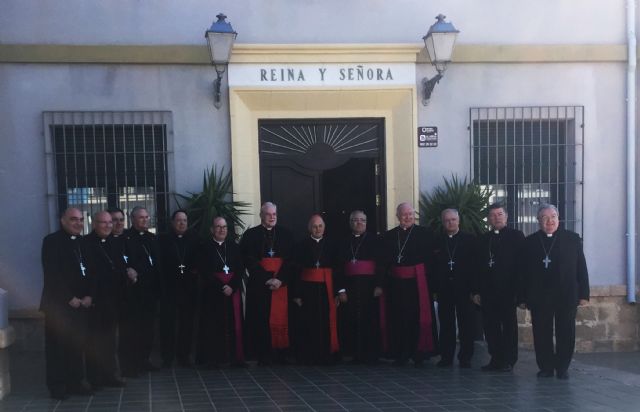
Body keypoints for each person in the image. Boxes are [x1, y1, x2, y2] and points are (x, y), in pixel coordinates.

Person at [519, 204, 589, 380]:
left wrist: (584, 294)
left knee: (566, 331)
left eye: (553, 217)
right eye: (544, 217)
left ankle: (562, 366)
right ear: (538, 221)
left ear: (559, 218)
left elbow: (581, 267)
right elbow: (522, 272)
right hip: (539, 296)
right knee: (541, 333)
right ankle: (546, 367)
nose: (549, 221)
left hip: (566, 294)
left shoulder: (572, 239)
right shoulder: (530, 242)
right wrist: (522, 296)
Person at [40, 208, 95, 399]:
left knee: (76, 345)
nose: (78, 223)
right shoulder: (51, 241)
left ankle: (76, 382)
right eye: (73, 219)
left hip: (81, 305)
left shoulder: (83, 242)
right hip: (59, 305)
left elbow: (91, 273)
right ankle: (58, 386)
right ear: (62, 220)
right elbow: (52, 273)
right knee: (57, 347)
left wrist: (90, 295)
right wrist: (68, 297)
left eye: (81, 219)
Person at [380, 203, 435, 367]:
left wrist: (431, 283)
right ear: (397, 216)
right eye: (404, 214)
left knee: (417, 318)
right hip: (396, 286)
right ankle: (400, 353)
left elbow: (431, 261)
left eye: (410, 214)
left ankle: (419, 353)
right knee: (398, 318)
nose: (408, 217)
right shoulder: (389, 236)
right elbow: (384, 262)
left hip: (418, 285)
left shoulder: (425, 234)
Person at [472, 203, 525, 372]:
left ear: (506, 216)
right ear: (488, 219)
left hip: (508, 291)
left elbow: (522, 266)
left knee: (509, 326)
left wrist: (520, 293)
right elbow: (477, 267)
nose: (496, 218)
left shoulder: (516, 237)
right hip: (488, 291)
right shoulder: (483, 239)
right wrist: (476, 291)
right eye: (493, 215)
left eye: (500, 214)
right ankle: (495, 358)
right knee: (490, 326)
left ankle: (509, 360)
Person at [240, 202, 295, 365]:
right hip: (259, 285)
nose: (272, 217)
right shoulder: (251, 235)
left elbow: (291, 260)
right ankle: (263, 354)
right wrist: (267, 278)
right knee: (260, 318)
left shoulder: (286, 234)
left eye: (274, 214)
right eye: (268, 214)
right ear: (261, 215)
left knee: (282, 318)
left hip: (281, 285)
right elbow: (248, 259)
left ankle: (281, 354)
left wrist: (280, 279)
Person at [83, 211, 126, 388]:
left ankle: (110, 375)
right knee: (94, 341)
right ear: (94, 224)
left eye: (110, 223)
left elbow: (119, 267)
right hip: (94, 301)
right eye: (103, 222)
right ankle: (95, 378)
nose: (108, 225)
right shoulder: (85, 243)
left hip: (112, 300)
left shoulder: (114, 243)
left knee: (109, 341)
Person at [335, 210, 384, 363]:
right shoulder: (343, 242)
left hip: (369, 287)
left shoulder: (376, 240)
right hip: (349, 286)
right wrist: (340, 289)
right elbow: (337, 267)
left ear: (366, 222)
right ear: (350, 223)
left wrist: (379, 285)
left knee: (369, 319)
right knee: (350, 319)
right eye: (355, 220)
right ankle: (352, 352)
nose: (359, 222)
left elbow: (381, 265)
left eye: (362, 220)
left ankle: (370, 354)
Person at [197, 217, 246, 367]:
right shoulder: (204, 248)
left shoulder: (234, 247)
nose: (222, 229)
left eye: (224, 227)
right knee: (213, 324)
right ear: (212, 229)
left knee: (234, 323)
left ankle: (234, 358)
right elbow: (205, 271)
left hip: (232, 292)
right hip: (213, 292)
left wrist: (232, 286)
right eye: (218, 227)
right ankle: (214, 359)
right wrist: (221, 286)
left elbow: (240, 269)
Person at [119, 206, 161, 377]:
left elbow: (157, 262)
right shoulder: (126, 238)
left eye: (146, 217)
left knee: (148, 329)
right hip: (134, 292)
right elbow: (126, 262)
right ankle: (132, 363)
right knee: (133, 330)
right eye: (141, 217)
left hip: (150, 291)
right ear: (132, 219)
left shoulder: (153, 238)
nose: (145, 220)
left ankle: (144, 359)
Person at [432, 208, 477, 368]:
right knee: (446, 324)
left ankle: (465, 357)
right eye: (447, 220)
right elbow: (433, 266)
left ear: (458, 221)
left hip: (464, 288)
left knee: (466, 323)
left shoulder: (470, 240)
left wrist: (474, 290)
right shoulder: (437, 240)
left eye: (453, 220)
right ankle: (446, 357)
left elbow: (475, 266)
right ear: (442, 222)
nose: (450, 223)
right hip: (444, 288)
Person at [291, 214, 339, 365]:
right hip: (307, 290)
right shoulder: (300, 246)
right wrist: (297, 294)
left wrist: (339, 292)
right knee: (308, 322)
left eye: (320, 226)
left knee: (326, 321)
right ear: (309, 228)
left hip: (327, 289)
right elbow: (296, 271)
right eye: (314, 226)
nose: (317, 229)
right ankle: (308, 356)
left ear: (324, 228)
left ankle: (326, 355)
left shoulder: (332, 245)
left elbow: (337, 270)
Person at [158, 210, 201, 368]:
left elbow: (199, 260)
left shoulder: (195, 238)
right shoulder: (163, 239)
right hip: (169, 287)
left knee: (187, 323)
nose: (182, 223)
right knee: (168, 323)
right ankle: (167, 357)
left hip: (189, 288)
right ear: (172, 222)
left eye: (184, 220)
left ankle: (184, 355)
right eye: (178, 220)